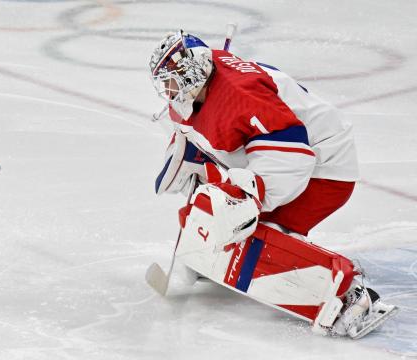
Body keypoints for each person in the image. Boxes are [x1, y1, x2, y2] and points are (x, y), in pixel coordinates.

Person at [149, 30, 397, 338]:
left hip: (326, 166)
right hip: (295, 154)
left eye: (172, 77)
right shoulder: (202, 85)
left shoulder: (239, 96)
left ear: (193, 74)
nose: (167, 88)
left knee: (256, 232)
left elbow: (294, 155)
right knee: (223, 209)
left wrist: (248, 197)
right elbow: (207, 129)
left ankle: (352, 296)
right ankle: (220, 251)